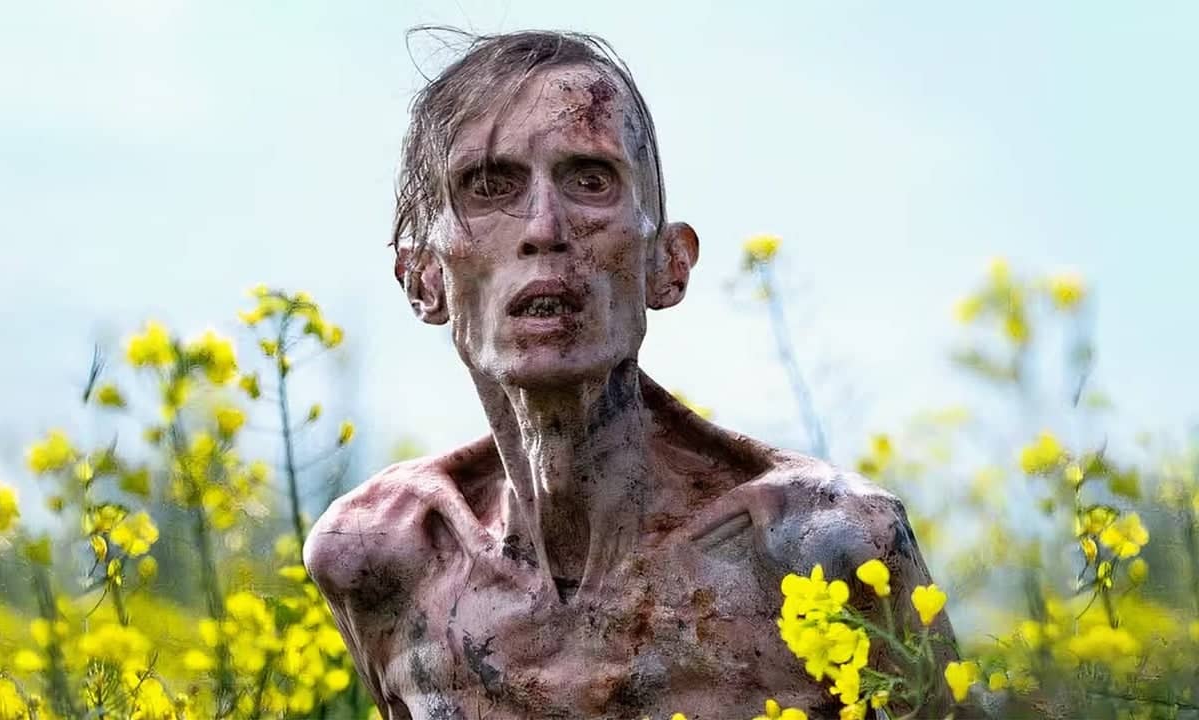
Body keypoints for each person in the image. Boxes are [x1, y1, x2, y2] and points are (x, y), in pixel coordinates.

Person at [305, 29, 955, 719]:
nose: (545, 227)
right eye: (490, 186)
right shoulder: (383, 554)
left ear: (668, 263)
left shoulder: (823, 542)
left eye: (591, 181)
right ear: (423, 278)